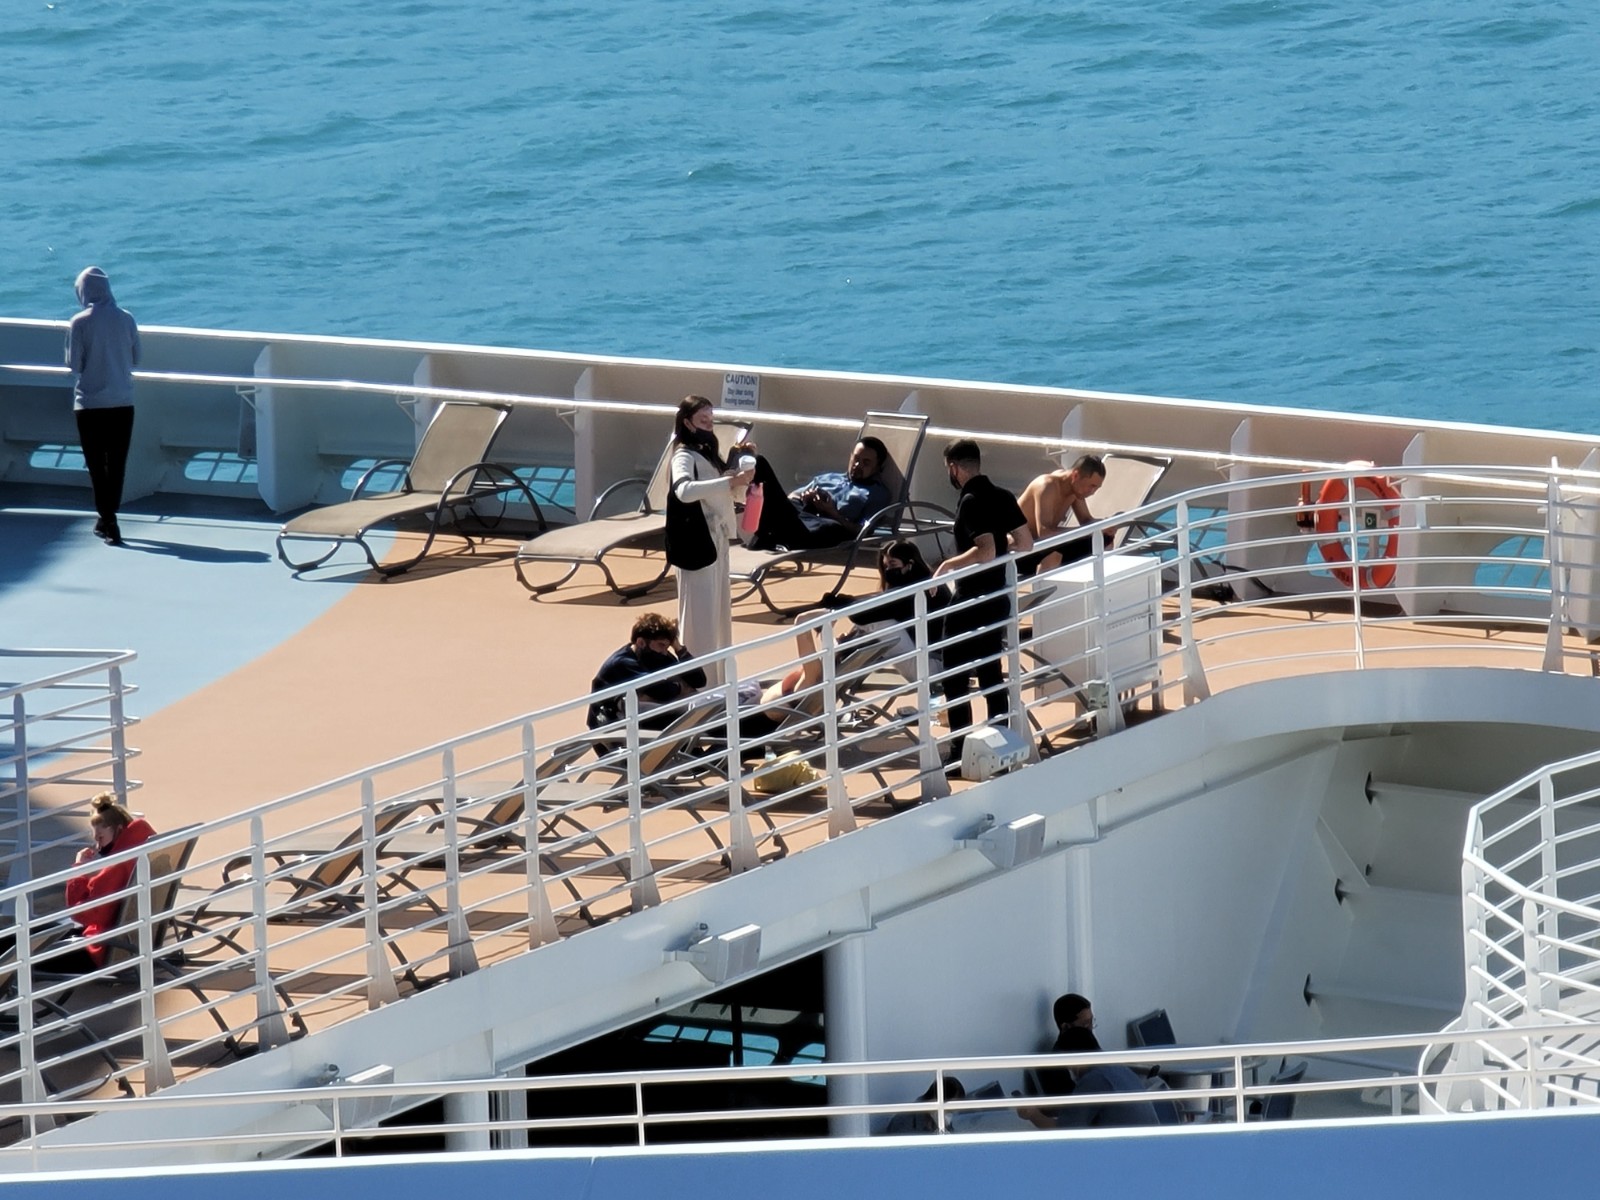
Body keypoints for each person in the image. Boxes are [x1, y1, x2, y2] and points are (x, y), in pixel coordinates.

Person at [932, 439, 1033, 758]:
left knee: (955, 676)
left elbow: (985, 550)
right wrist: (1002, 547)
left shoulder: (970, 501)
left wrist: (948, 565)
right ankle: (1001, 740)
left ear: (954, 468)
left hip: (969, 600)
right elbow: (1025, 543)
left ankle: (960, 749)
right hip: (997, 596)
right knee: (991, 672)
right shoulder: (1003, 495)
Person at [665, 396, 753, 685]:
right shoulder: (683, 456)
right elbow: (684, 491)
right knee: (700, 618)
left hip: (716, 542)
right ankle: (700, 684)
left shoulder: (706, 454)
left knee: (718, 615)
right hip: (697, 543)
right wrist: (730, 481)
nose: (708, 425)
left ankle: (720, 683)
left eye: (711, 420)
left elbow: (721, 492)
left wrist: (737, 473)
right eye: (703, 420)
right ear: (688, 423)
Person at [66, 266, 142, 546]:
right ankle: (109, 517)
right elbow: (136, 358)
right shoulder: (127, 319)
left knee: (97, 465)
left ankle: (108, 519)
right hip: (123, 402)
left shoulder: (79, 322)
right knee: (117, 464)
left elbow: (74, 365)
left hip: (90, 405)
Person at [739, 436, 894, 552]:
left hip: (820, 529)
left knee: (759, 463)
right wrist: (806, 497)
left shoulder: (877, 493)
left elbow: (864, 531)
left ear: (877, 467)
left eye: (866, 463)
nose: (857, 465)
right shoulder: (828, 478)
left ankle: (763, 537)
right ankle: (765, 535)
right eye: (856, 459)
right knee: (757, 466)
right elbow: (792, 497)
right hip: (799, 516)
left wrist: (832, 513)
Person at [57, 793, 157, 971]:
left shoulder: (117, 867)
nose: (98, 846)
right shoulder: (142, 849)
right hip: (130, 940)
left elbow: (80, 914)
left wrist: (79, 870)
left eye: (100, 838)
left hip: (100, 951)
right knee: (41, 937)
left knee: (19, 946)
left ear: (118, 829)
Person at [1018, 1026, 1161, 1129]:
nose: (1071, 1070)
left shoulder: (1095, 1079)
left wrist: (1032, 1114)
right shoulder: (1119, 1069)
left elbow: (1062, 1131)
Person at [587, 612, 708, 731]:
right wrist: (680, 688)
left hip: (642, 717)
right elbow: (662, 691)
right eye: (661, 645)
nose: (664, 652)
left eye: (667, 647)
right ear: (641, 642)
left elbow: (699, 680)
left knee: (708, 712)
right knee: (688, 718)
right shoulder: (622, 663)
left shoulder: (659, 655)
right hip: (612, 725)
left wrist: (679, 649)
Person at [1018, 454, 1108, 575]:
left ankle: (1101, 583)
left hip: (1043, 546)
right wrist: (1087, 531)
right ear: (1075, 475)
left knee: (1105, 541)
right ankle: (1042, 586)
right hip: (1020, 551)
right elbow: (1044, 533)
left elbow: (1086, 520)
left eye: (1096, 488)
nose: (1093, 492)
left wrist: (1106, 525)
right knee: (1054, 554)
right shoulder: (1046, 486)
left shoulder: (1075, 489)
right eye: (1091, 486)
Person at [1035, 993, 1097, 1097]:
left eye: (1091, 1022)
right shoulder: (1057, 1064)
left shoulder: (1090, 1046)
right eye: (1085, 1024)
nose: (1090, 1029)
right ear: (1066, 1027)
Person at [884, 1075, 965, 1135]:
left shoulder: (940, 1120)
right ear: (935, 1100)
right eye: (949, 1110)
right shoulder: (904, 1121)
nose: (949, 1115)